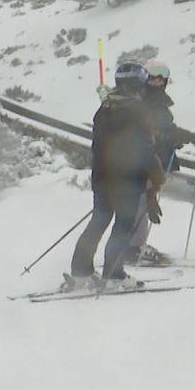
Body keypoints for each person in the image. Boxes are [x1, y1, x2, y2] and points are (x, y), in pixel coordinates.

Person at [66, 62, 166, 291]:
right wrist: (158, 178)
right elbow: (146, 151)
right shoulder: (139, 111)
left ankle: (80, 271)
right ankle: (114, 274)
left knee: (98, 221)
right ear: (136, 85)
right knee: (122, 227)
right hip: (127, 182)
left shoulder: (105, 108)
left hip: (102, 179)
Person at [127, 59, 195, 264]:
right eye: (153, 76)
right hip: (143, 159)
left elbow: (168, 130)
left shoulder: (159, 103)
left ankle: (134, 244)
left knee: (144, 201)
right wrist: (171, 138)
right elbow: (150, 131)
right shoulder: (143, 102)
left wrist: (194, 137)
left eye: (162, 76)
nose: (157, 80)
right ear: (145, 77)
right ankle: (133, 248)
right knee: (141, 201)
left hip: (156, 158)